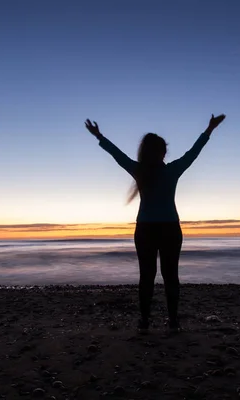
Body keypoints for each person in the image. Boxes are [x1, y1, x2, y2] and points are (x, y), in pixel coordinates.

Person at [84, 114, 226, 334]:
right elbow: (193, 153)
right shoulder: (171, 170)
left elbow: (117, 155)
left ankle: (145, 321)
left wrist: (99, 136)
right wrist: (209, 129)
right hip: (169, 228)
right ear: (163, 152)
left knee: (147, 276)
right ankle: (172, 321)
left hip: (146, 230)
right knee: (170, 276)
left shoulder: (140, 171)